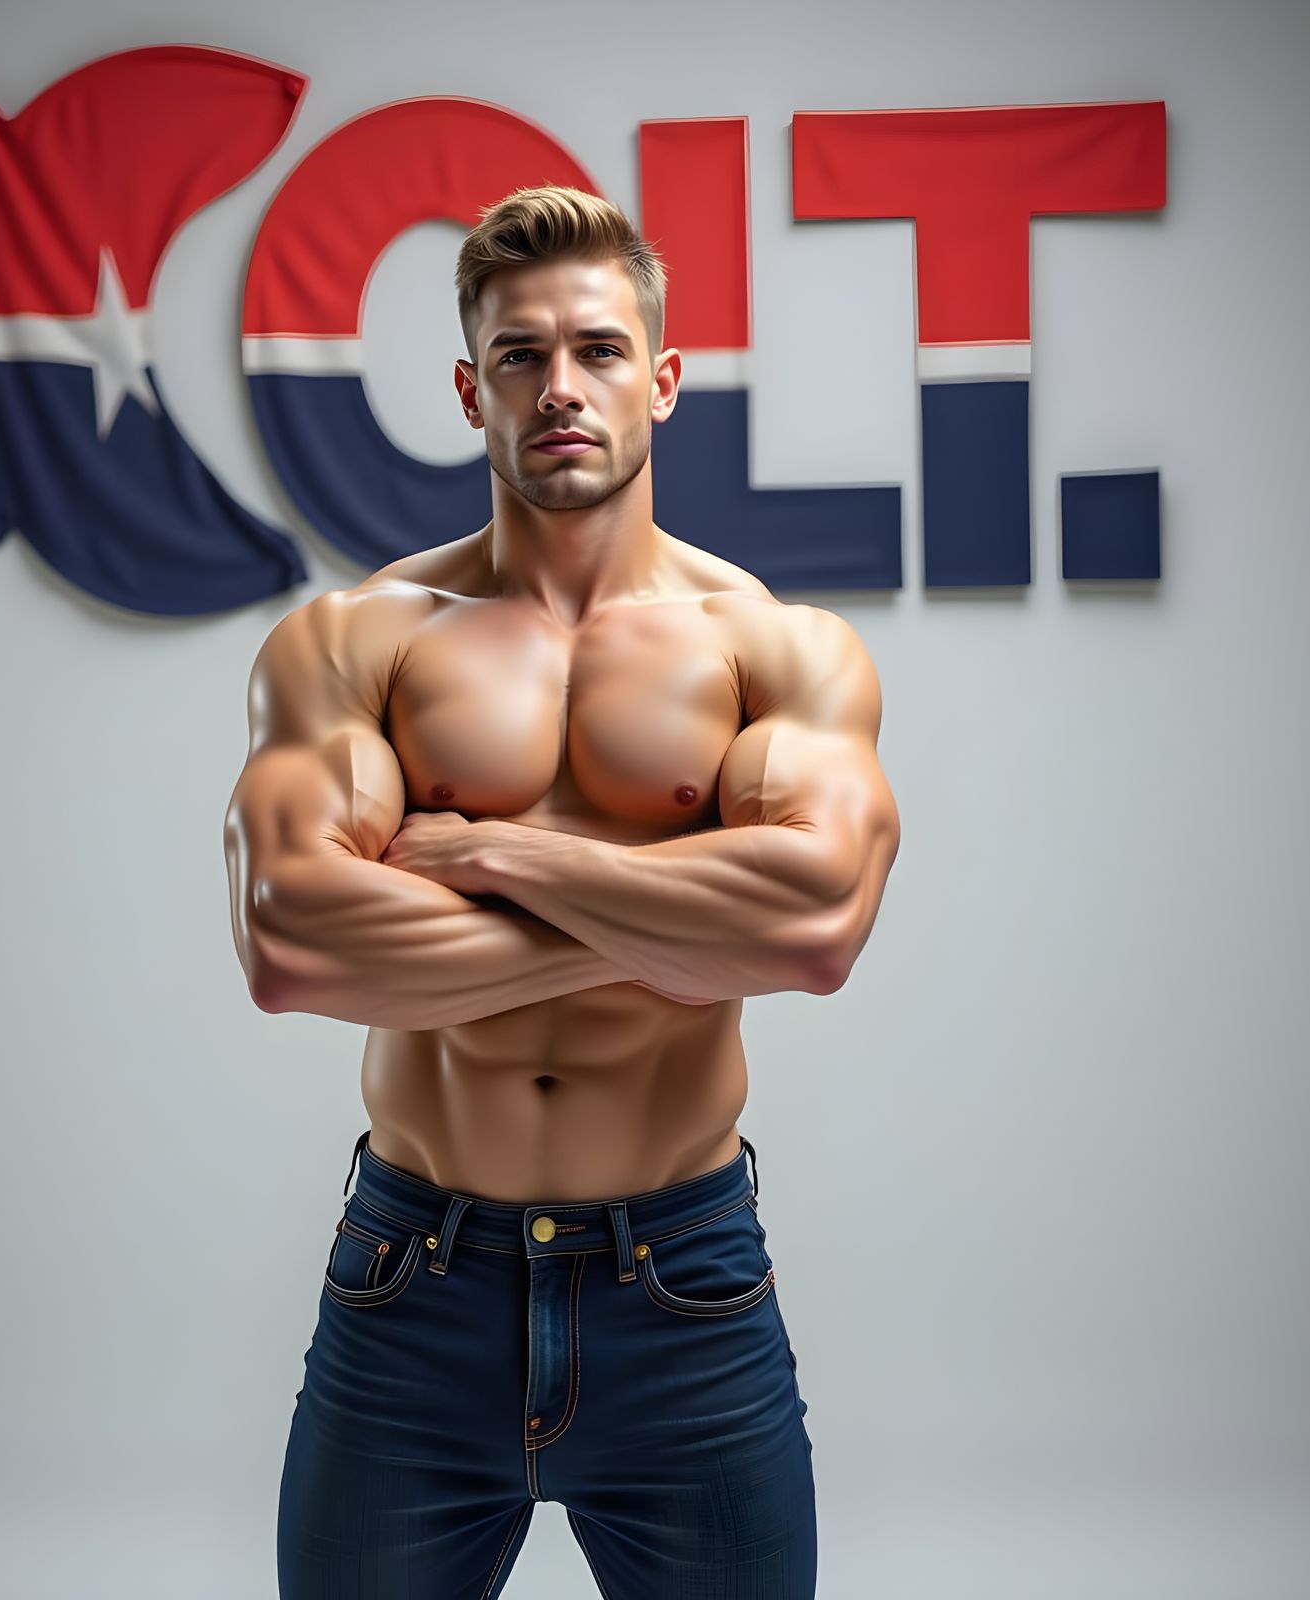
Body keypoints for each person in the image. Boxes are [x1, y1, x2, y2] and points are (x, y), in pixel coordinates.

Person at [223, 183, 900, 1598]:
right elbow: (290, 939)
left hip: (685, 1289)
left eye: (597, 350)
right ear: (471, 391)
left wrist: (493, 852)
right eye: (520, 357)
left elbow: (820, 923)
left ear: (661, 378)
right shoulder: (357, 642)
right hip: (416, 1281)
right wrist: (678, 920)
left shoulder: (778, 651)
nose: (560, 386)